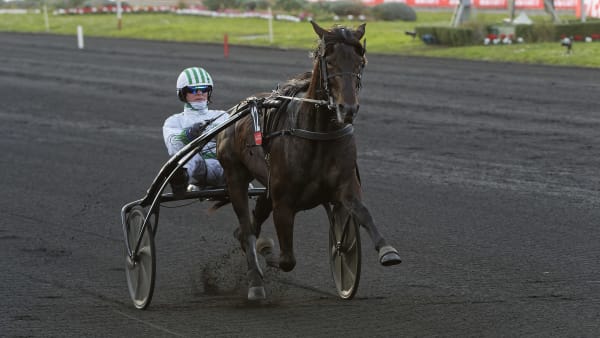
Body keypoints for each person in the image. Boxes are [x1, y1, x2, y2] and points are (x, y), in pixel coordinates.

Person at [163, 67, 229, 195]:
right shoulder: (174, 121)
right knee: (188, 156)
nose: (199, 93)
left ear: (208, 91)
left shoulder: (223, 116)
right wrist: (188, 134)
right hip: (201, 169)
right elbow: (173, 146)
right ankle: (179, 181)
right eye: (193, 90)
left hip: (228, 166)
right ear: (183, 93)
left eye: (204, 89)